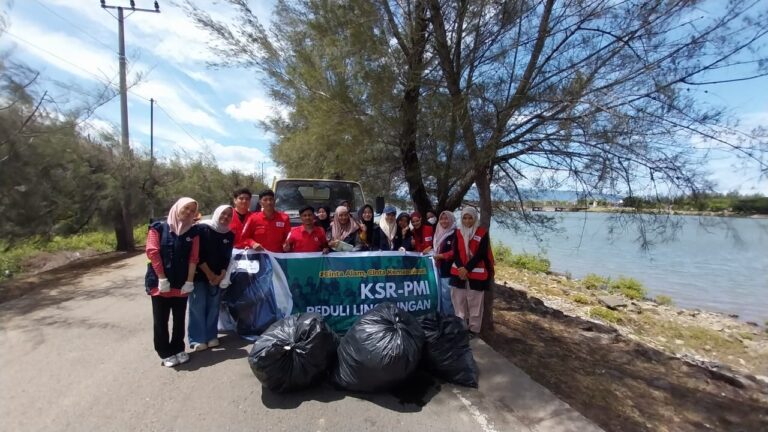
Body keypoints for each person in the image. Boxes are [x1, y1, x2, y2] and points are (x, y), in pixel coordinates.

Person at [145, 197, 200, 367]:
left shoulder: (193, 232)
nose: (189, 212)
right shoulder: (159, 228)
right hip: (160, 283)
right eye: (186, 208)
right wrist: (162, 278)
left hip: (181, 282)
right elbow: (153, 252)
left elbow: (194, 258)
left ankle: (178, 348)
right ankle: (164, 352)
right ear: (177, 208)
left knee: (179, 318)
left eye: (192, 210)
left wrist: (189, 281)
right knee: (161, 319)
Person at [188, 205, 234, 352]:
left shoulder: (229, 235)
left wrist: (221, 275)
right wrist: (209, 274)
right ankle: (197, 339)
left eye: (229, 215)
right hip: (199, 275)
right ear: (217, 213)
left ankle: (211, 336)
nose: (225, 217)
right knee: (198, 306)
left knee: (213, 306)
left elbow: (227, 257)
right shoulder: (202, 229)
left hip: (217, 277)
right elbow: (197, 254)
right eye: (223, 214)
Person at [450, 207, 494, 336]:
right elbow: (455, 252)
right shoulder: (457, 232)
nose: (467, 220)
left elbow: (481, 254)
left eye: (470, 218)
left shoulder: (482, 233)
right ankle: (460, 327)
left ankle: (473, 330)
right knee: (459, 302)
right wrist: (461, 268)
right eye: (464, 217)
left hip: (476, 273)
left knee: (475, 304)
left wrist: (467, 268)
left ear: (475, 218)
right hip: (459, 273)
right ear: (461, 218)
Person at [433, 210, 457, 315]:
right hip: (438, 268)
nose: (444, 221)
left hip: (449, 269)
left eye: (446, 218)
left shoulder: (455, 233)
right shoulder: (438, 231)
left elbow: (456, 251)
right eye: (441, 219)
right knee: (440, 294)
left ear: (451, 219)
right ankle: (442, 317)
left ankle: (449, 320)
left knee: (447, 296)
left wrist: (442, 256)